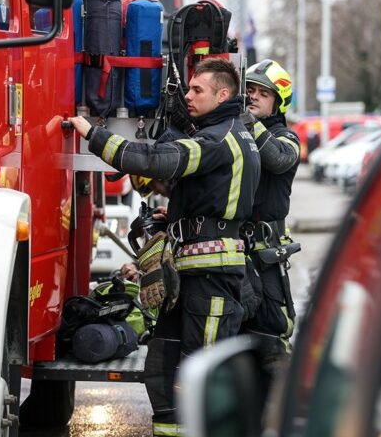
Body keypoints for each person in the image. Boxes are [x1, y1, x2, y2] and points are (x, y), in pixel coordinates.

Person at [70, 57, 260, 437]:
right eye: (188, 88)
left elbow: (157, 161)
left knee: (201, 372)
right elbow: (210, 195)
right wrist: (173, 220)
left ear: (223, 94)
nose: (188, 96)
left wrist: (93, 134)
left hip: (212, 277)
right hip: (192, 275)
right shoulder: (221, 132)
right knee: (163, 366)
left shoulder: (220, 138)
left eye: (197, 90)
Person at [240, 59, 301, 370]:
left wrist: (249, 123)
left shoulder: (286, 138)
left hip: (265, 257)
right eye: (248, 90)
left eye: (262, 93)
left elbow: (277, 160)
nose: (252, 96)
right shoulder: (236, 132)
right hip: (232, 251)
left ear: (278, 101)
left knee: (270, 333)